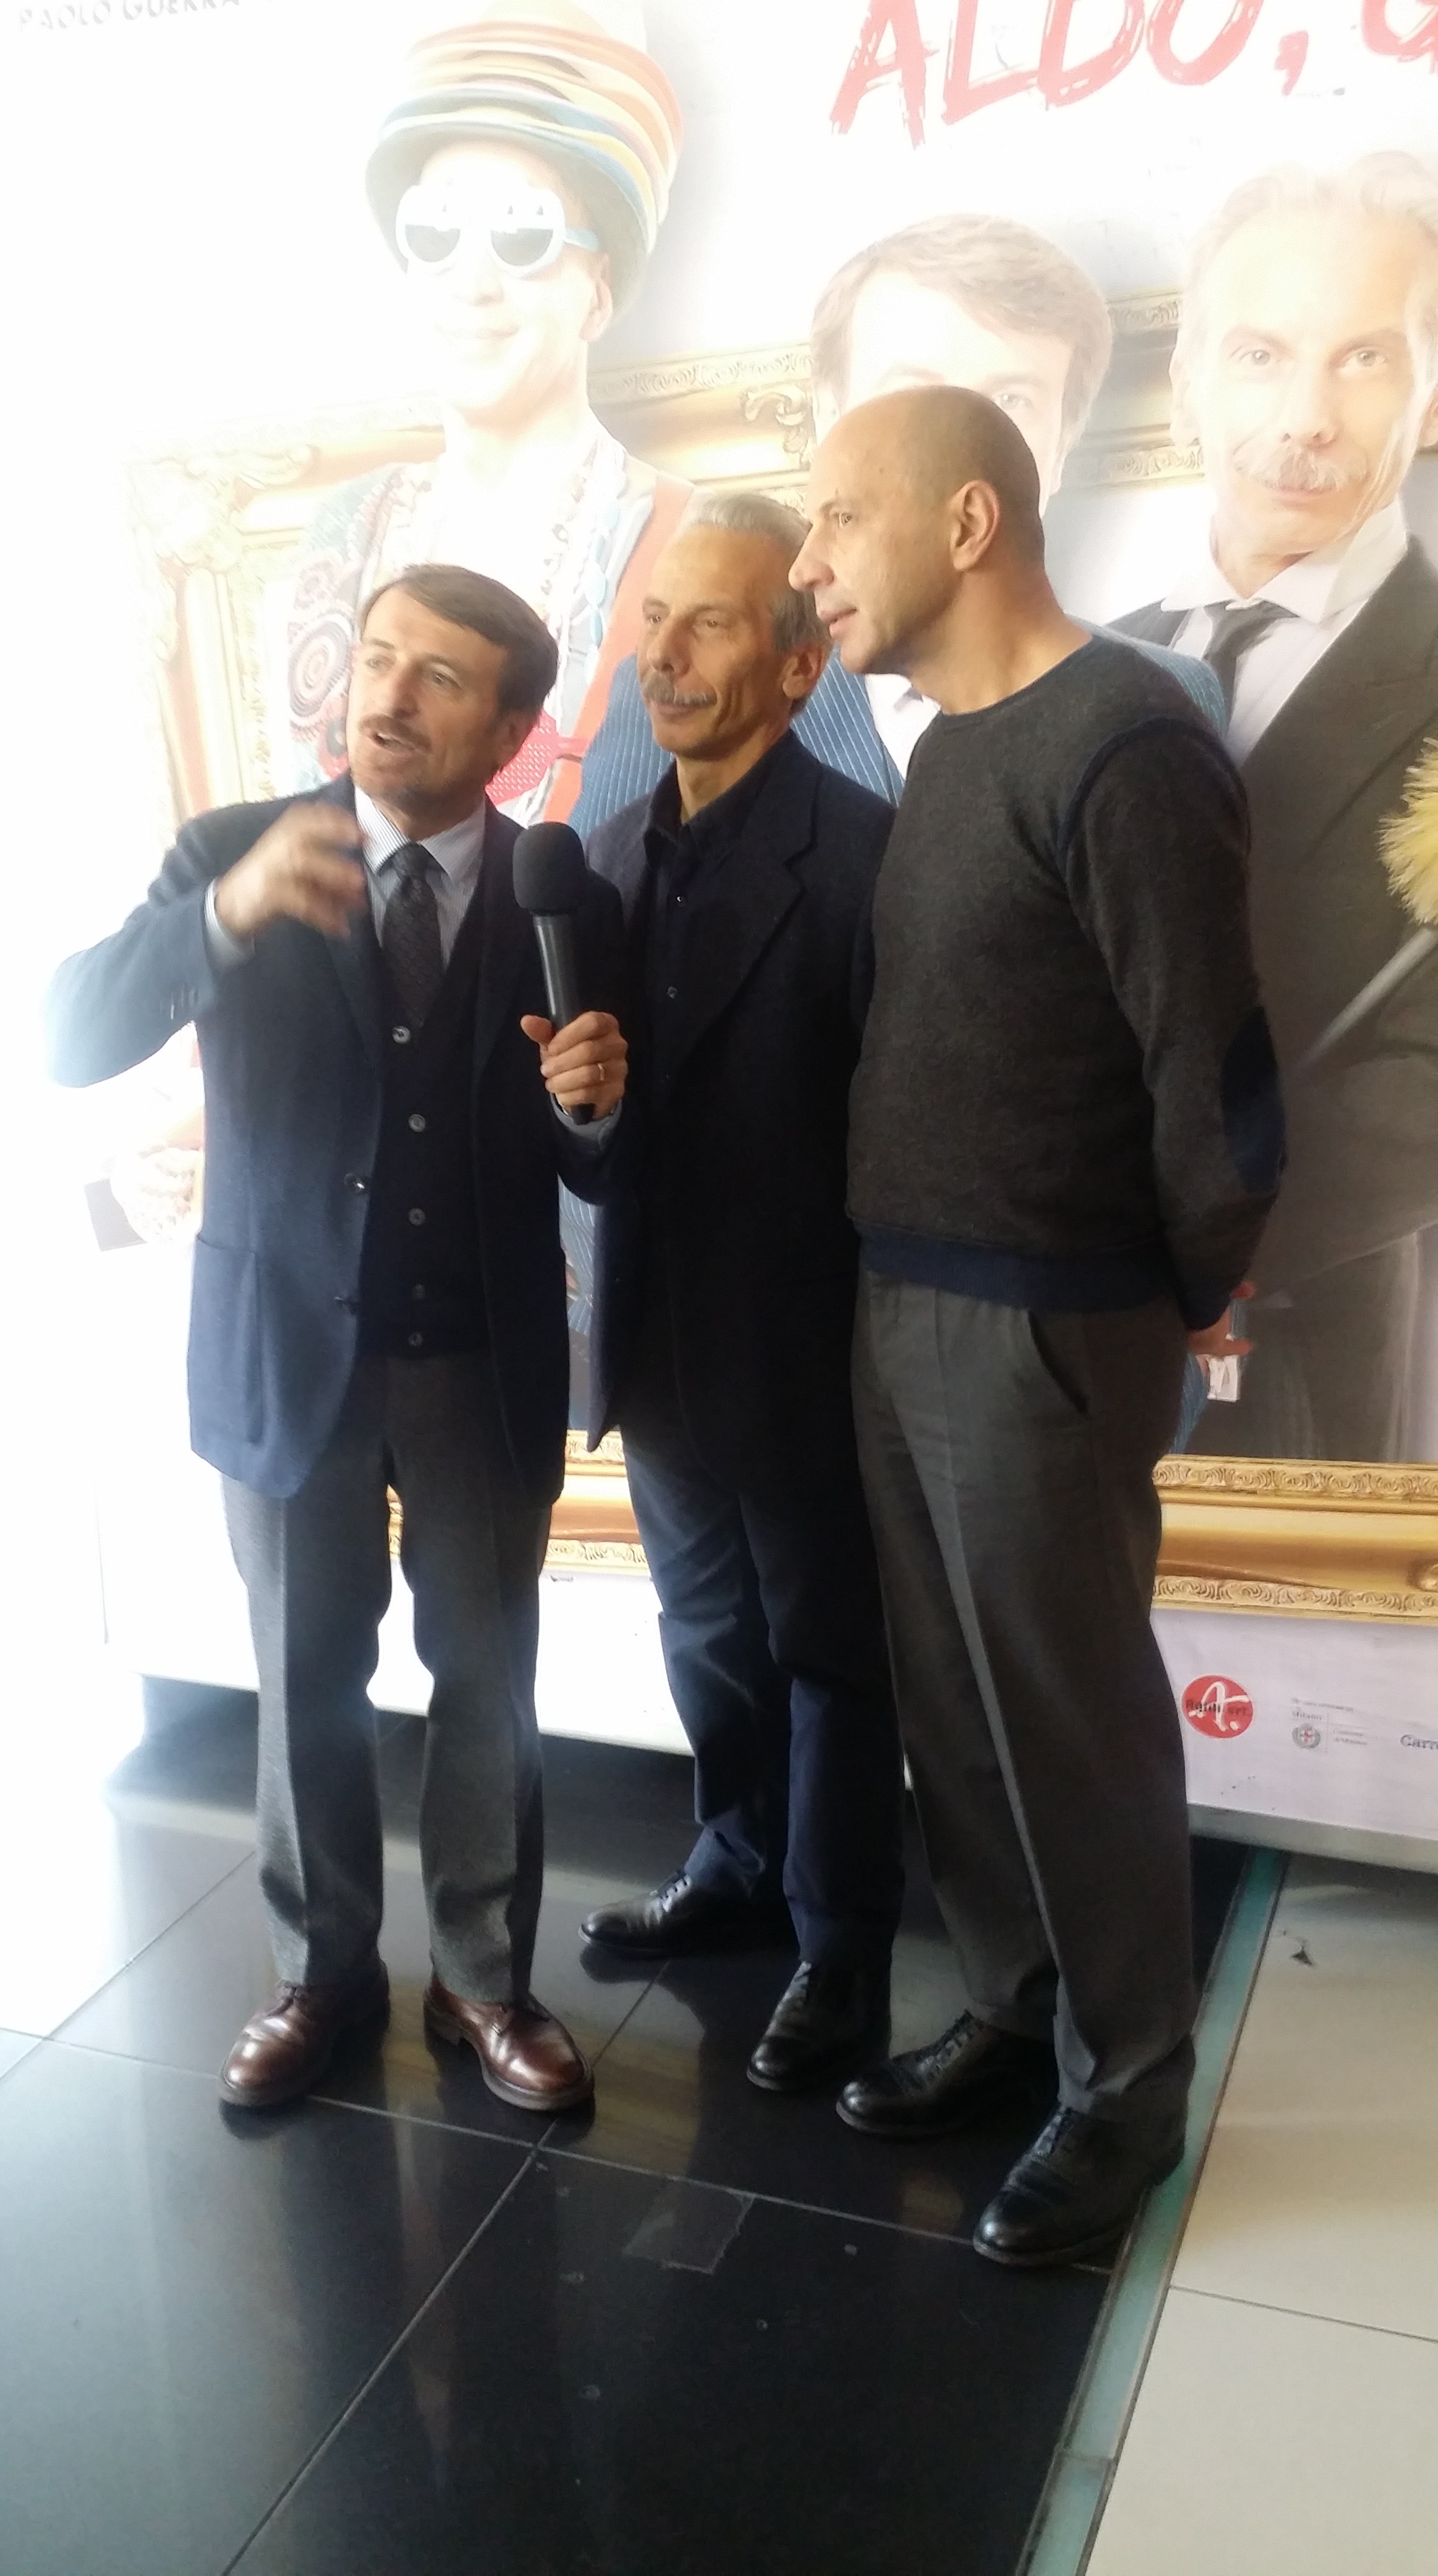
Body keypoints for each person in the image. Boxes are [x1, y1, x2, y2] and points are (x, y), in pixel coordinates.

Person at [789, 387, 1282, 2264]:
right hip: (902, 1290)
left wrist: (1171, 1290)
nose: (810, 563)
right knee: (955, 1699)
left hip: (1049, 1324)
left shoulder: (1126, 737)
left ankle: (1125, 2087)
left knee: (1068, 1723)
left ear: (967, 521)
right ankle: (1011, 2008)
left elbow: (1209, 1070)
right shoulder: (948, 749)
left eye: (838, 517)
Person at [47, 566, 629, 2117]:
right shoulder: (232, 851)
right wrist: (220, 921)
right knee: (303, 1673)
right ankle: (323, 1974)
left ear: (512, 729)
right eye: (378, 659)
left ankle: (485, 1981)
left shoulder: (560, 894)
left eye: (441, 678)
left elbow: (597, 1155)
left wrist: (594, 1108)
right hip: (283, 1351)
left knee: (488, 1680)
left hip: (480, 1356)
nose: (389, 697)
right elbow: (66, 1035)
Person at [577, 493, 907, 2093]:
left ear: (794, 664)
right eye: (656, 620)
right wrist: (575, 1113)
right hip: (650, 1336)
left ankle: (839, 1948)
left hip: (807, 1341)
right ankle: (736, 1859)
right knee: (704, 1628)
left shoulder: (862, 856)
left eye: (708, 624)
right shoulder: (597, 860)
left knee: (830, 1649)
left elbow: (904, 1133)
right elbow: (582, 1130)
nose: (667, 656)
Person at [1115, 153, 1438, 1461]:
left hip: (1304, 1382)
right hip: (1049, 1371)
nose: (1306, 416)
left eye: (1364, 358)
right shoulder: (1093, 661)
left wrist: (1173, 1239)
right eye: (1261, 355)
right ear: (1186, 381)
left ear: (1431, 391)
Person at [570, 210, 1221, 832]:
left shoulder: (1162, 695)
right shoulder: (689, 676)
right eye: (910, 394)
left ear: (1064, 443)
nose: (955, 445)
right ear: (828, 416)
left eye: (1011, 400)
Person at [286, 2, 687, 822]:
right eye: (435, 230)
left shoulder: (698, 543)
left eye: (523, 232)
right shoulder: (342, 531)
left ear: (600, 288)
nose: (472, 283)